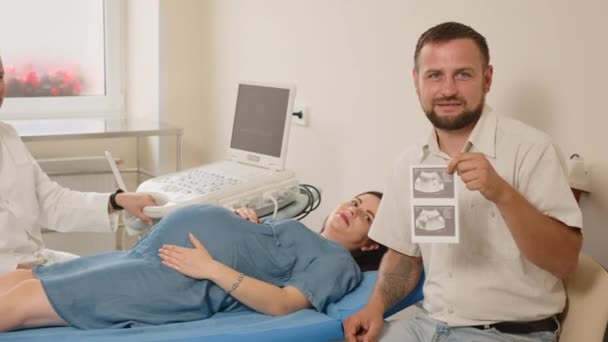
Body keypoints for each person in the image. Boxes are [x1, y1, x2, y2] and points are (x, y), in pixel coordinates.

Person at [344, 22, 583, 342]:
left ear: (487, 78)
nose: (447, 90)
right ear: (416, 81)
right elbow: (404, 256)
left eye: (463, 74)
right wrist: (374, 307)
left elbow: (565, 262)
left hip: (509, 333)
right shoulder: (410, 162)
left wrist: (503, 194)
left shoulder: (531, 149)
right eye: (435, 75)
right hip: (428, 325)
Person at [0, 191, 385, 331]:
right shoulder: (303, 234)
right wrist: (249, 225)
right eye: (355, 201)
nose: (354, 211)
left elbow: (284, 303)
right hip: (155, 255)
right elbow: (264, 257)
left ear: (370, 244)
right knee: (23, 280)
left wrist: (211, 269)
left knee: (22, 303)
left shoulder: (339, 263)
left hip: (181, 281)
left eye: (367, 216)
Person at [0, 55, 158, 275]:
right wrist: (12, 269)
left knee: (116, 273)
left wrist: (116, 200)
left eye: (0, 77)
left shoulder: (7, 136)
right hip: (10, 278)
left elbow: (51, 202)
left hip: (37, 263)